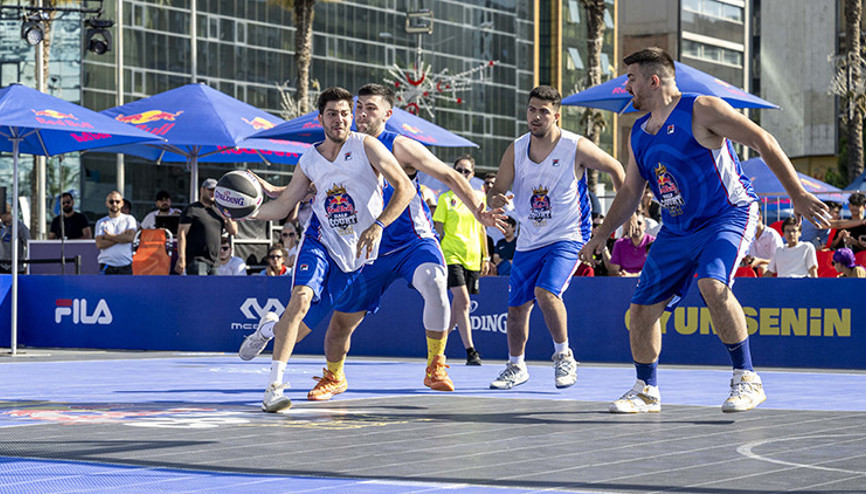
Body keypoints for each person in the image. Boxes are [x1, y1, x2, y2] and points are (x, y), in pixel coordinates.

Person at [579, 47, 830, 413]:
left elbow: (763, 140)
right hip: (677, 228)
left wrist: (798, 194)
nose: (626, 86)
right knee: (641, 311)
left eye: (630, 78)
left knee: (712, 283)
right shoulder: (639, 133)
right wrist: (602, 234)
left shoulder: (701, 109)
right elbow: (631, 190)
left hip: (727, 214)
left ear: (654, 80)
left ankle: (747, 379)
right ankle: (646, 390)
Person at [239, 83, 504, 402]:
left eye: (370, 108)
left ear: (388, 114)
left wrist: (479, 211)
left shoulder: (397, 146)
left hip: (409, 243)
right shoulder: (340, 147)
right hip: (363, 251)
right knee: (331, 326)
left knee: (435, 282)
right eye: (359, 106)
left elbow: (448, 176)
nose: (362, 113)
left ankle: (436, 364)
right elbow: (320, 185)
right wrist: (270, 194)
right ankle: (326, 370)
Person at [239, 86, 415, 412]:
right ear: (320, 118)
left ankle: (267, 329)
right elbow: (283, 207)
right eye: (332, 114)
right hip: (320, 240)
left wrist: (379, 225)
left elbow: (405, 188)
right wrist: (245, 210)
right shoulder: (309, 159)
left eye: (346, 113)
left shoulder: (368, 146)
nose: (340, 120)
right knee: (301, 299)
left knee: (295, 331)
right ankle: (273, 388)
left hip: (354, 257)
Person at [487, 85, 625, 390]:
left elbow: (615, 167)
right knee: (516, 309)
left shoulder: (575, 146)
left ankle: (564, 356)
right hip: (529, 238)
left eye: (543, 112)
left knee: (546, 292)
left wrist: (626, 212)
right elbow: (497, 189)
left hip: (569, 234)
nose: (536, 117)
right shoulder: (516, 148)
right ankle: (515, 366)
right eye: (532, 110)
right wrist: (496, 202)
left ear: (557, 116)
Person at [433, 154, 491, 366]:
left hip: (473, 257)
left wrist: (486, 256)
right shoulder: (445, 199)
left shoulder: (479, 199)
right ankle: (471, 351)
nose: (462, 174)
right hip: (451, 256)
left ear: (473, 174)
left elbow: (482, 228)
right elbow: (437, 232)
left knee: (459, 308)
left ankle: (437, 348)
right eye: (459, 170)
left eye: (466, 171)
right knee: (464, 302)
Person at [175, 178, 238, 275]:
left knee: (214, 290)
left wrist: (227, 214)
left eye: (216, 191)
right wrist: (181, 258)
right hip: (197, 260)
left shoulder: (218, 211)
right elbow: (181, 234)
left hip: (215, 262)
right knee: (200, 289)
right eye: (210, 190)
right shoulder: (192, 209)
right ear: (202, 190)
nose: (213, 193)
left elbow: (233, 231)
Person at [94, 191, 138, 275]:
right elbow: (100, 244)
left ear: (122, 203)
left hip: (125, 265)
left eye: (117, 201)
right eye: (111, 201)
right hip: (106, 265)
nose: (114, 204)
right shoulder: (101, 222)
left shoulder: (129, 219)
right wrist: (122, 237)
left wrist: (110, 236)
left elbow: (130, 238)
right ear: (107, 203)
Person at [608, 212, 655, 276]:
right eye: (633, 223)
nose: (636, 226)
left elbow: (654, 271)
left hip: (646, 282)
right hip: (623, 282)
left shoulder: (653, 243)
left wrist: (631, 275)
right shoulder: (619, 243)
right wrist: (621, 275)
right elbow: (613, 270)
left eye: (639, 223)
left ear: (645, 226)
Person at [743, 210, 783, 276]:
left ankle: (764, 286)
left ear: (760, 218)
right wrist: (747, 259)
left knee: (762, 268)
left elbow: (779, 260)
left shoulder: (772, 235)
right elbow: (748, 256)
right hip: (754, 268)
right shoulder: (748, 236)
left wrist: (760, 261)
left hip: (772, 268)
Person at [0, 203, 29, 274]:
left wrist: (27, 266)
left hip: (17, 267)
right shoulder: (1, 226)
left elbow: (28, 244)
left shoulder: (19, 226)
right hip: (2, 266)